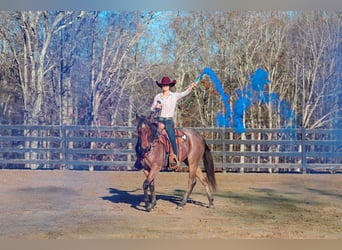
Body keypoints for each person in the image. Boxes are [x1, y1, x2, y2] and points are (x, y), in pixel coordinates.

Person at [151, 76, 196, 167]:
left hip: (168, 121)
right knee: (150, 136)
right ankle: (147, 157)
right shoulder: (158, 97)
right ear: (161, 86)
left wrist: (191, 87)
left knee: (172, 137)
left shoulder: (174, 96)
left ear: (169, 86)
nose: (165, 86)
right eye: (163, 85)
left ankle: (175, 158)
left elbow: (184, 93)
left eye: (166, 85)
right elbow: (151, 109)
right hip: (159, 120)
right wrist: (156, 107)